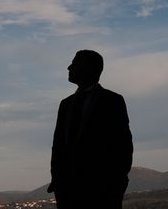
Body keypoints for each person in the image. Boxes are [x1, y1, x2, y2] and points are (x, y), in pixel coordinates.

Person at [48, 50, 133, 209]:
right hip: (68, 194)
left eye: (74, 64)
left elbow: (123, 146)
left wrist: (115, 186)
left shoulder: (112, 101)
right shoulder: (65, 104)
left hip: (102, 194)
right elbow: (58, 146)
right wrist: (57, 181)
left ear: (88, 68)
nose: (69, 67)